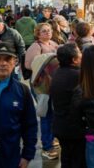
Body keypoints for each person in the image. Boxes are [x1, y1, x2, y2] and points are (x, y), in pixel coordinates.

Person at [0, 42, 37, 168]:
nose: (3, 63)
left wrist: (27, 156)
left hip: (10, 159)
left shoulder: (22, 90)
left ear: (15, 62)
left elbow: (30, 125)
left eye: (8, 59)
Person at [25, 23, 59, 160]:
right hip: (41, 86)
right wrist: (45, 60)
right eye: (44, 31)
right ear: (38, 33)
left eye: (49, 30)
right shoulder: (35, 46)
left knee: (53, 113)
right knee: (46, 115)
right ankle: (46, 147)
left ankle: (50, 139)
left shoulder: (54, 43)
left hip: (52, 85)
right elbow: (28, 65)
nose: (47, 33)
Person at [50, 43, 86, 168]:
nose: (82, 55)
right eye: (80, 54)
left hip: (60, 127)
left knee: (66, 156)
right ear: (74, 60)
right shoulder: (78, 75)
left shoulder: (58, 72)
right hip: (77, 131)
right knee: (80, 157)